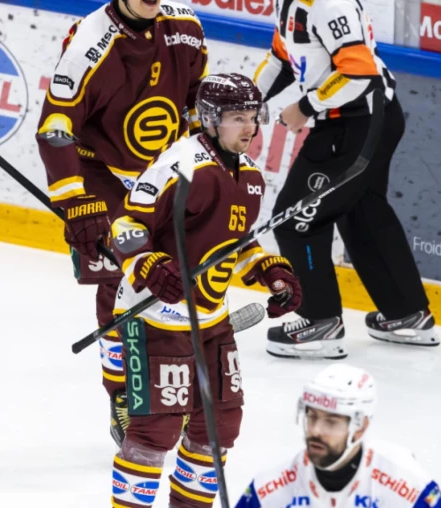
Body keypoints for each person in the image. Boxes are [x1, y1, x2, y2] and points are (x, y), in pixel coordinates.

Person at [107, 73, 302, 508]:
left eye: (253, 117)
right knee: (156, 430)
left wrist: (271, 271)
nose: (250, 128)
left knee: (219, 425)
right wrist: (150, 264)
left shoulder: (250, 176)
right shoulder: (180, 165)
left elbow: (237, 240)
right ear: (211, 121)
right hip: (153, 317)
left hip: (211, 321)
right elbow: (126, 225)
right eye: (238, 118)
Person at [35, 0, 209, 446]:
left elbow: (197, 101)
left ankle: (173, 382)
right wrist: (76, 201)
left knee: (173, 281)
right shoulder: (89, 43)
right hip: (104, 175)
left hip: (161, 176)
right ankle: (127, 395)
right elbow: (56, 127)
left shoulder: (185, 25)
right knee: (122, 283)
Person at [253, 0, 436, 360]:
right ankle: (407, 312)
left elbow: (357, 73)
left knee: (296, 220)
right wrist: (247, 96)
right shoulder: (289, 3)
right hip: (363, 119)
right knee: (362, 212)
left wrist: (304, 107)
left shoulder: (328, 4)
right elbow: (281, 59)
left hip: (355, 123)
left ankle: (319, 319)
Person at [235, 364, 441, 507]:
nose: (316, 430)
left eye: (331, 421)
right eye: (312, 417)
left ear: (361, 426)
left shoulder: (405, 482)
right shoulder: (272, 482)